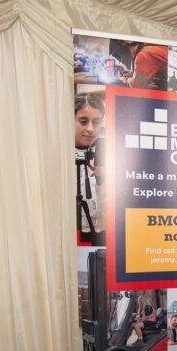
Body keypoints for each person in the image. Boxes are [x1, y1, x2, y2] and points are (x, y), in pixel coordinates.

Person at [75, 93, 106, 246]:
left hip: (99, 234)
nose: (90, 129)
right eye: (83, 121)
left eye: (96, 122)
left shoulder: (107, 150)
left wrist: (103, 180)